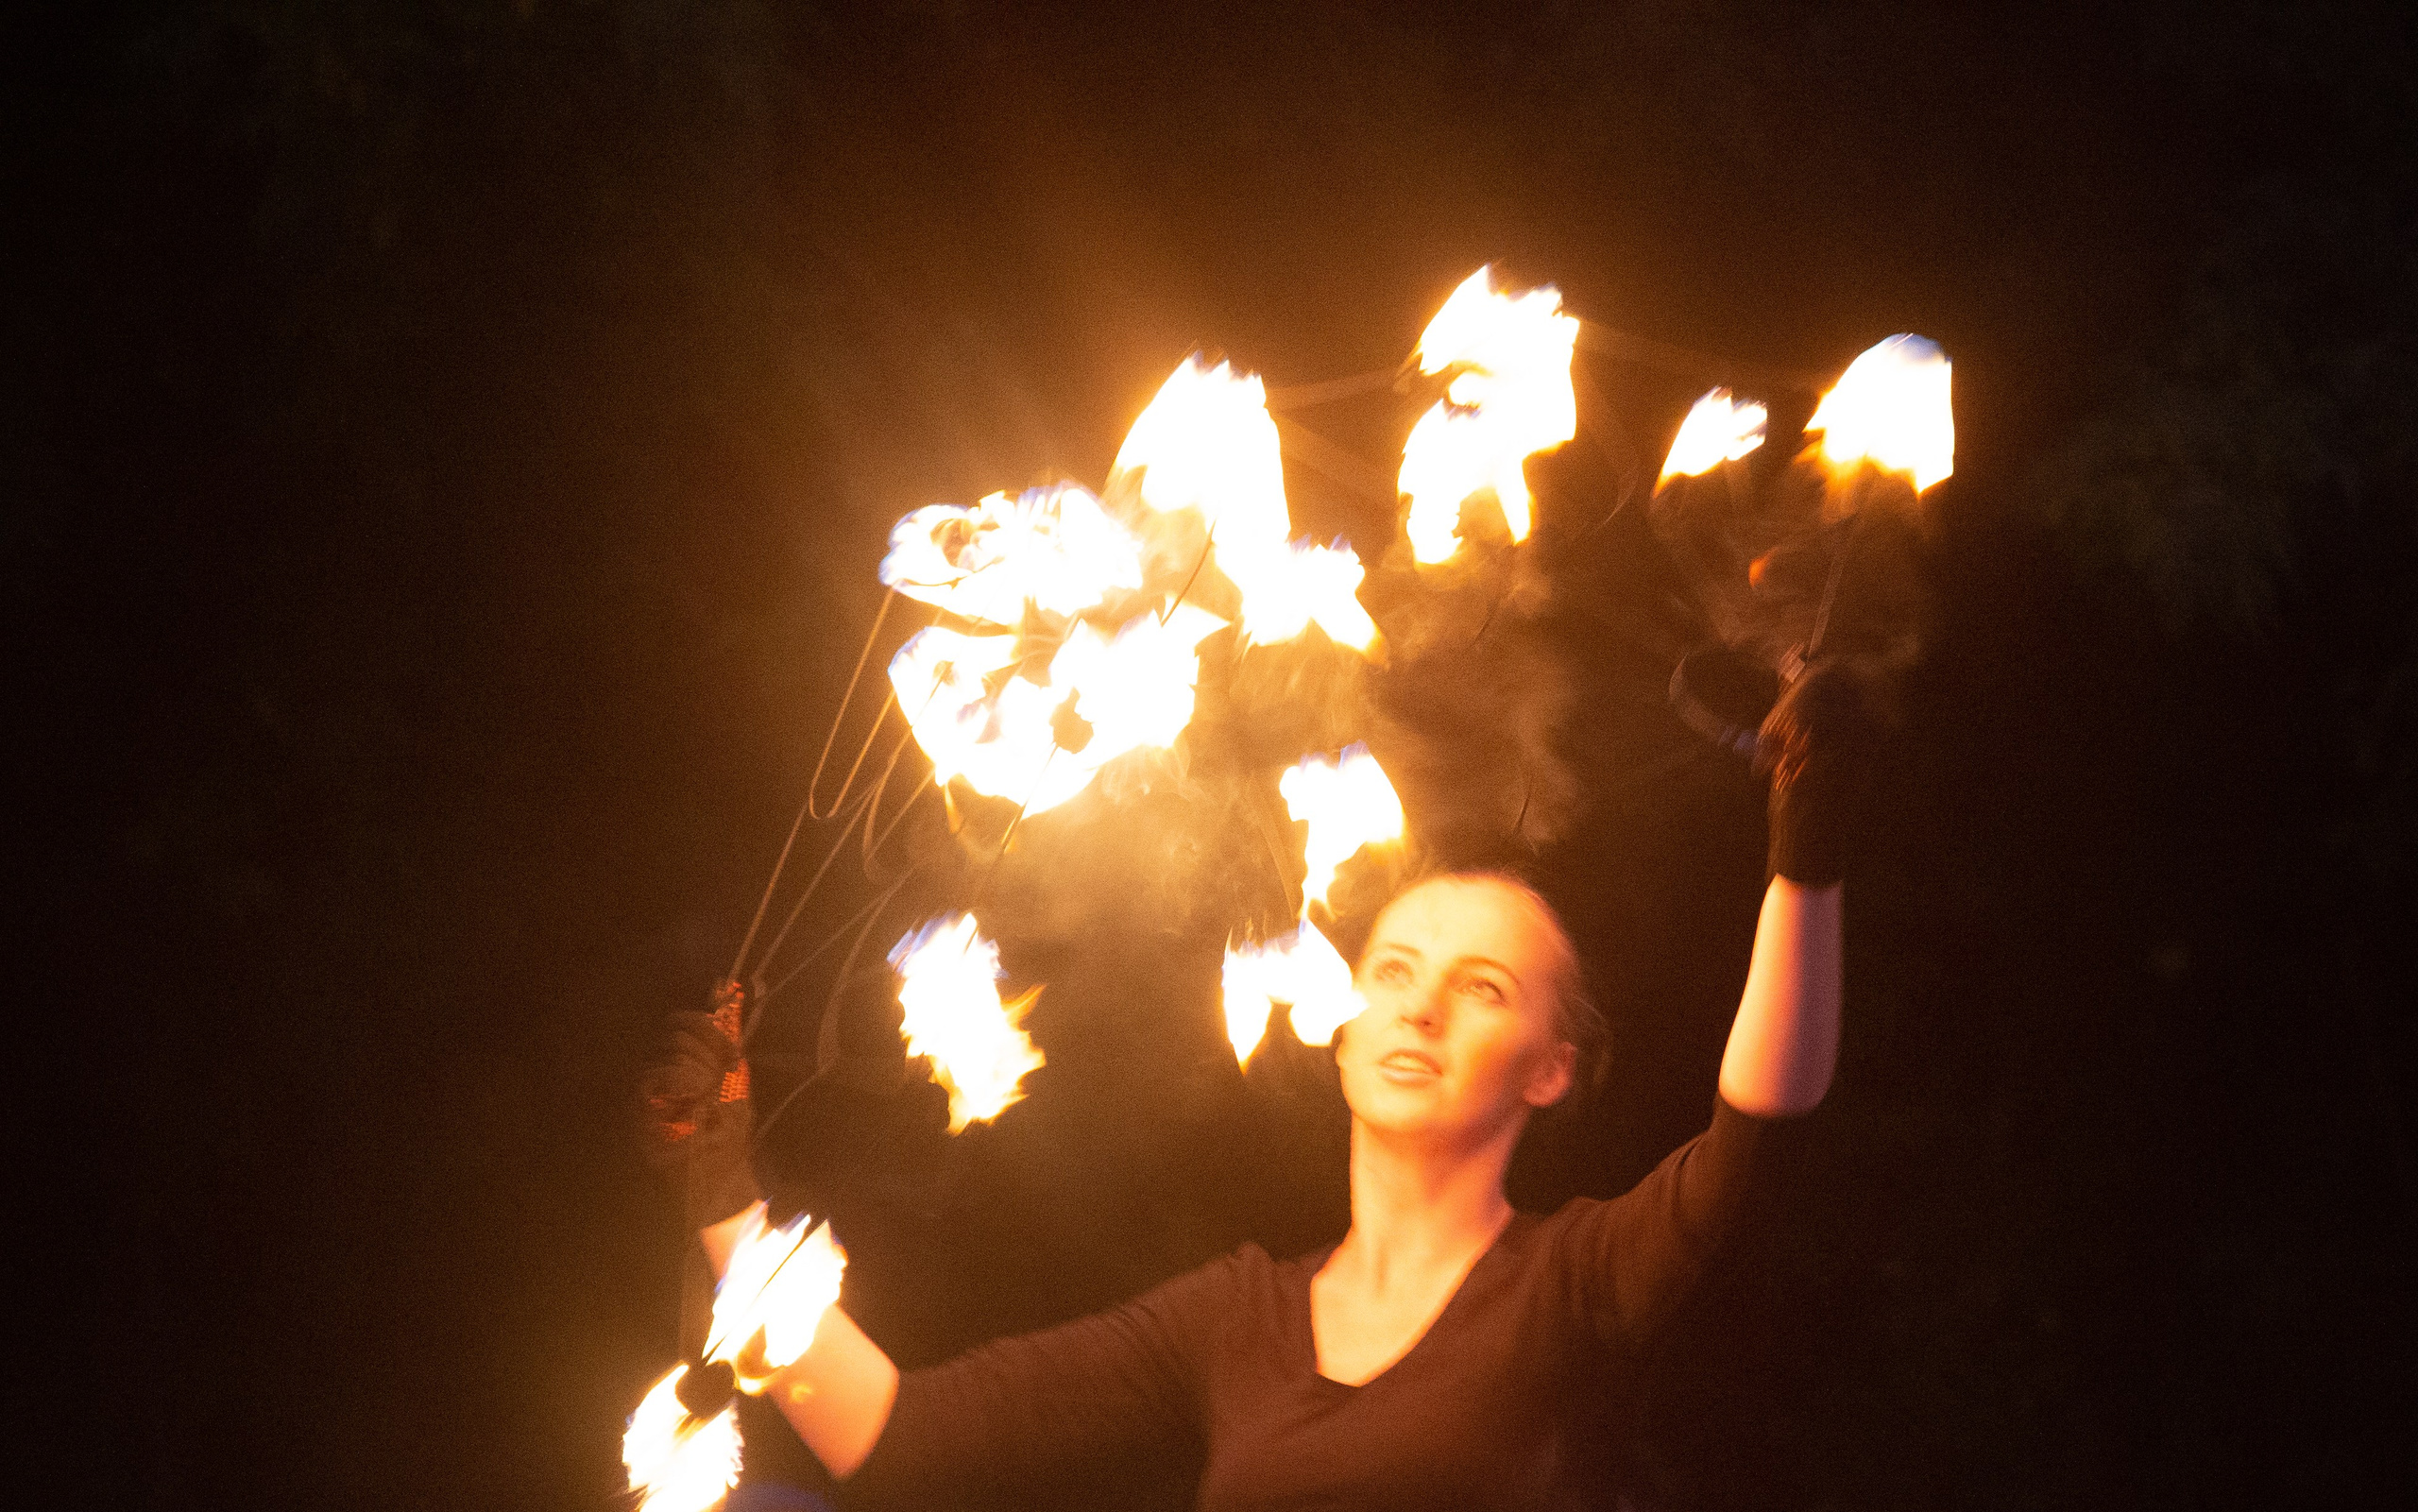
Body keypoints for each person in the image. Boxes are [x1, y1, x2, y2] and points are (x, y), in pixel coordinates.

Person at [643, 662, 1868, 1511]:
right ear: (1342, 1022)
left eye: (1485, 986)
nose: (1422, 1003)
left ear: (1555, 1068)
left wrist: (1802, 858)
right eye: (1394, 968)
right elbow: (890, 1431)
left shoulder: (1578, 1280)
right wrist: (719, 1177)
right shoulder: (1234, 1320)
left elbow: (1760, 1128)